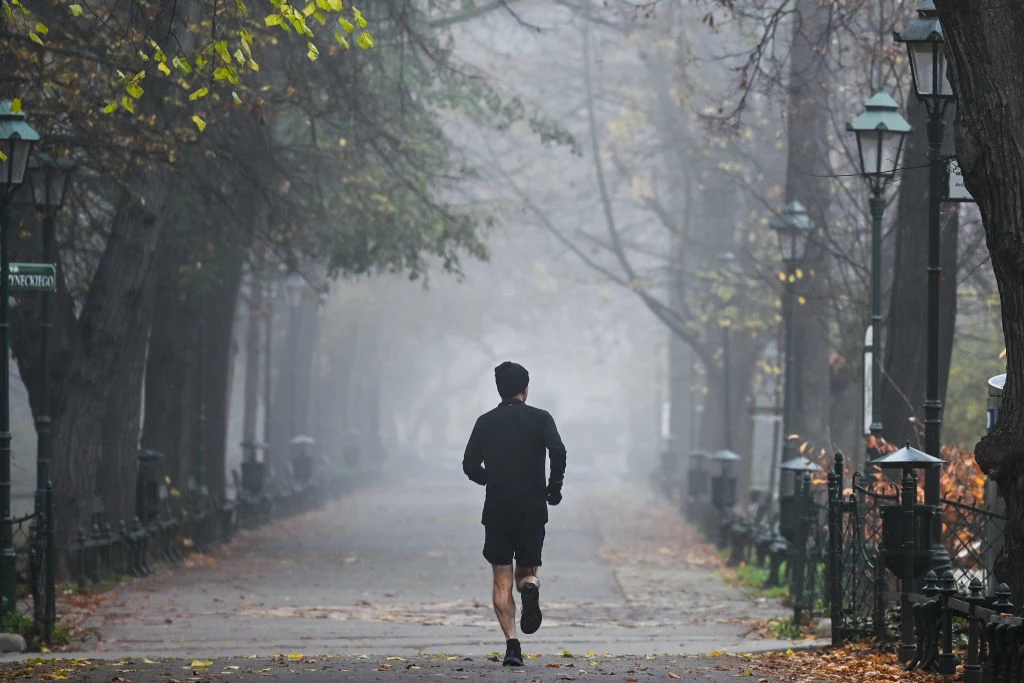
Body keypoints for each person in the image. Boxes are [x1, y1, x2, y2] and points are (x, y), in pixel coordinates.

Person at [462, 361, 567, 667]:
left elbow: (469, 465)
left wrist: (489, 479)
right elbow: (558, 451)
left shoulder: (485, 422)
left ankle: (512, 646)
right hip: (532, 508)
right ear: (526, 388)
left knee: (501, 578)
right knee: (527, 572)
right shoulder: (541, 418)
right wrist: (554, 486)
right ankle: (531, 588)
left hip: (497, 509)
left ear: (499, 388)